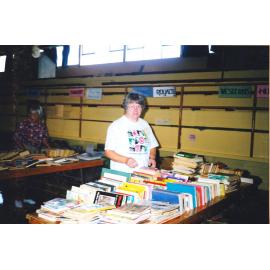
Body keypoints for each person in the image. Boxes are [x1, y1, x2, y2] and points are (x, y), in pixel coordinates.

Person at [105, 92, 159, 173]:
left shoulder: (145, 124)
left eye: (138, 106)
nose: (136, 109)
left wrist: (152, 157)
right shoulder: (116, 126)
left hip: (143, 172)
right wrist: (126, 160)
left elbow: (152, 145)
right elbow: (108, 152)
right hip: (123, 173)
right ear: (126, 107)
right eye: (132, 106)